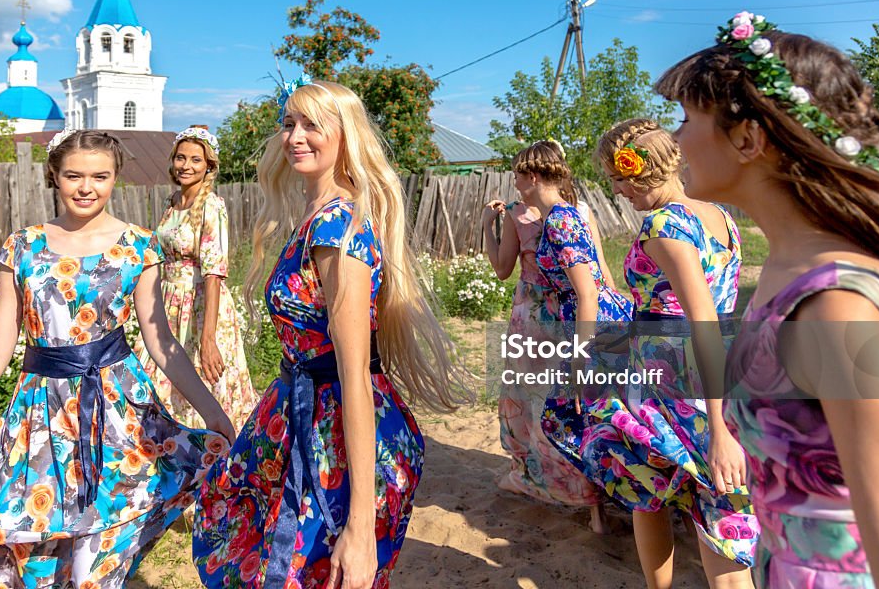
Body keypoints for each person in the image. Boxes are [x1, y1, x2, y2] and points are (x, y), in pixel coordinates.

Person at [0, 129, 234, 589]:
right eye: (73, 175)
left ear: (116, 178)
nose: (86, 186)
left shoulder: (139, 247)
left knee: (93, 569)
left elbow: (164, 345)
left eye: (100, 176)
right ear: (54, 176)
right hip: (41, 419)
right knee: (38, 548)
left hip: (120, 419)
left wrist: (212, 413)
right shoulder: (23, 247)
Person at [193, 76, 468, 588]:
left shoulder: (337, 229)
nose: (295, 136)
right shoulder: (315, 218)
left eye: (312, 125)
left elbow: (356, 376)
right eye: (289, 124)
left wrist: (360, 527)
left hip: (336, 433)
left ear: (345, 135)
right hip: (301, 413)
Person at [654, 11, 879, 587]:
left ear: (747, 138)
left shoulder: (837, 304)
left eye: (686, 118)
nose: (675, 138)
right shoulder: (787, 267)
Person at [582, 119, 757, 589]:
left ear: (637, 170)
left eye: (616, 177)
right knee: (663, 497)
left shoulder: (663, 225)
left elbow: (701, 325)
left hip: (681, 388)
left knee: (706, 510)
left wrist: (718, 428)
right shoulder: (718, 216)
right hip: (698, 378)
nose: (616, 190)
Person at [481, 141, 615, 531]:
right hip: (559, 312)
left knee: (534, 401)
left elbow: (504, 269)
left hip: (542, 314)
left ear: (533, 176)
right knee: (559, 402)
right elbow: (598, 272)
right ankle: (587, 501)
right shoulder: (566, 213)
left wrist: (486, 227)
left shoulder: (538, 216)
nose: (514, 182)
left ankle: (551, 484)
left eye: (518, 174)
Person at [134, 125, 259, 431]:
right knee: (155, 375)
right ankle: (167, 449)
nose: (186, 166)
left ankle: (215, 452)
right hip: (167, 301)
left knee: (204, 380)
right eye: (181, 158)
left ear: (209, 166)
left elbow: (214, 271)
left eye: (195, 160)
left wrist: (208, 337)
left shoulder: (211, 206)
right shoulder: (172, 202)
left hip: (202, 303)